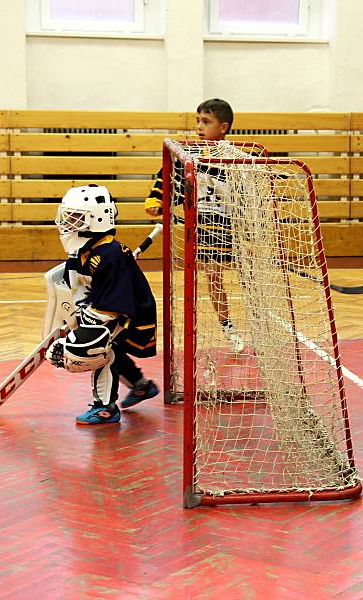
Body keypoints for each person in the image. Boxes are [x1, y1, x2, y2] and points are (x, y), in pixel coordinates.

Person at [46, 184, 159, 425]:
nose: (68, 223)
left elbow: (110, 310)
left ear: (95, 219)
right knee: (111, 348)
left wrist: (81, 333)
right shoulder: (88, 251)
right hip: (113, 311)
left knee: (99, 352)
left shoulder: (110, 256)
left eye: (75, 217)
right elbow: (78, 286)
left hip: (133, 317)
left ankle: (105, 408)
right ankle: (141, 386)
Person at [144, 98, 244, 353]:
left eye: (206, 122)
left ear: (223, 127)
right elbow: (166, 178)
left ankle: (258, 323)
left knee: (246, 278)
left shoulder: (235, 157)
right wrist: (158, 200)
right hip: (202, 224)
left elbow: (246, 192)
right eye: (198, 121)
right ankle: (227, 327)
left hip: (229, 225)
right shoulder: (188, 155)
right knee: (213, 275)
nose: (199, 126)